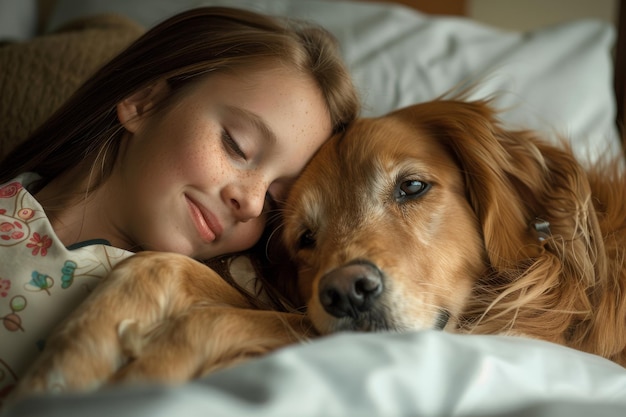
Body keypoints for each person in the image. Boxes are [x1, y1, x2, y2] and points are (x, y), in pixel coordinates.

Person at [0, 6, 359, 401]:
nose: (253, 203)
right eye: (236, 145)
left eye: (276, 201)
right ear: (143, 101)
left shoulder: (231, 312)